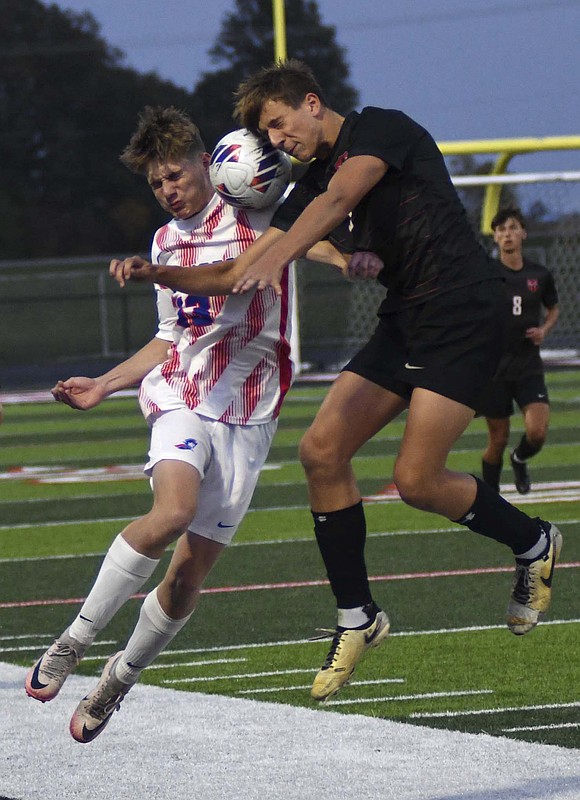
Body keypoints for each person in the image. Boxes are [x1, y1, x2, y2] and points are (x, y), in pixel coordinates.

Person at [24, 105, 371, 743]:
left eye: (175, 175)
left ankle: (119, 679)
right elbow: (169, 337)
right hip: (181, 394)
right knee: (172, 513)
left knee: (188, 576)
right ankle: (73, 640)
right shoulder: (163, 242)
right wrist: (105, 383)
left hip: (252, 413)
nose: (168, 190)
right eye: (157, 184)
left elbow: (314, 235)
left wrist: (346, 262)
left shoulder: (256, 208)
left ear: (205, 164)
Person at [224, 59, 562, 702]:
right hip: (406, 316)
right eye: (266, 137)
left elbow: (340, 200)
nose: (277, 142)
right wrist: (190, 264)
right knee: (320, 452)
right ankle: (357, 617)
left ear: (312, 103)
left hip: (464, 310)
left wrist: (285, 254)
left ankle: (534, 539)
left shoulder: (382, 127)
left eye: (279, 124)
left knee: (415, 481)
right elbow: (271, 237)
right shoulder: (309, 180)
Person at [479, 207, 559, 494]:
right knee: (497, 440)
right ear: (495, 238)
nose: (507, 234)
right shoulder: (487, 274)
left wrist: (544, 331)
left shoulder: (539, 274)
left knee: (537, 432)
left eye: (512, 228)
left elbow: (553, 308)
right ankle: (490, 497)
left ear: (523, 233)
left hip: (527, 364)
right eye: (500, 230)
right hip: (495, 368)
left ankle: (520, 458)